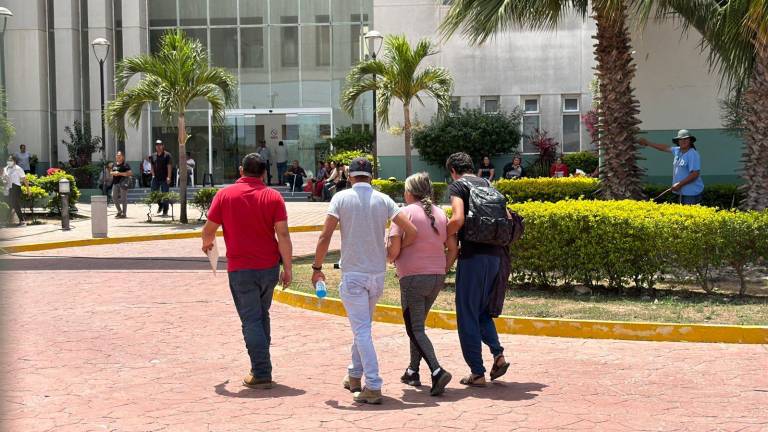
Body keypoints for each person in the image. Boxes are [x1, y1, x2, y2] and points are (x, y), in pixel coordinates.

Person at [312, 157, 418, 404]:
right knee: (362, 328)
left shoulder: (341, 198)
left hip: (354, 274)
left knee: (361, 330)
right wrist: (393, 254)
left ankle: (373, 384)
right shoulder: (384, 199)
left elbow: (325, 235)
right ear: (371, 176)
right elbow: (411, 230)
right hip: (376, 274)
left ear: (350, 176)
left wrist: (317, 267)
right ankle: (354, 375)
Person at [201, 153, 293, 390]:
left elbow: (208, 230)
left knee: (251, 319)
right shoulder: (273, 196)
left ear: (241, 170)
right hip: (269, 267)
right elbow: (283, 235)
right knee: (262, 315)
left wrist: (207, 245)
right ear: (264, 173)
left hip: (241, 269)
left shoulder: (225, 195)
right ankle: (262, 366)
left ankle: (261, 371)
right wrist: (289, 268)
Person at [387, 172, 458, 396]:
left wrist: (389, 256)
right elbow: (453, 248)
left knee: (415, 328)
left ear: (409, 192)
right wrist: (441, 269)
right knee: (417, 327)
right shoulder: (440, 213)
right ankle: (412, 370)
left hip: (412, 278)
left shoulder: (404, 213)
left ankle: (437, 371)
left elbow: (394, 251)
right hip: (436, 277)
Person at [446, 152, 510, 387]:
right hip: (495, 256)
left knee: (467, 314)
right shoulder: (488, 184)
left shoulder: (458, 187)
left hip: (472, 257)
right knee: (482, 311)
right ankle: (498, 355)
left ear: (453, 170)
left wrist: (440, 235)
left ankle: (477, 372)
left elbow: (458, 218)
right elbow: (507, 216)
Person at [639, 129, 705, 205]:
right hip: (681, 192)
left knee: (688, 216)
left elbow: (695, 174)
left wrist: (679, 184)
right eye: (681, 139)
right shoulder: (677, 151)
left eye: (686, 139)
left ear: (690, 141)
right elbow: (664, 148)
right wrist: (647, 143)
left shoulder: (693, 154)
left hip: (691, 194)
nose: (683, 141)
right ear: (678, 141)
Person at [3, 155, 29, 226]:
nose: (9, 161)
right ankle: (6, 221)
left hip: (16, 188)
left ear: (14, 161)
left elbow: (24, 179)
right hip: (9, 188)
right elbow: (4, 178)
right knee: (10, 205)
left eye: (11, 160)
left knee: (14, 204)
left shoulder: (18, 168)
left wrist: (28, 190)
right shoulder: (6, 168)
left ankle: (22, 221)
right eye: (8, 160)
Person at [151, 140, 173, 217]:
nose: (158, 146)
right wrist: (153, 175)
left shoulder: (167, 155)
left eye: (160, 145)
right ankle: (160, 205)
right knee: (154, 193)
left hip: (164, 178)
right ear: (155, 146)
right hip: (156, 178)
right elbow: (152, 166)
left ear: (163, 146)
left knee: (165, 194)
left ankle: (165, 210)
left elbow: (169, 166)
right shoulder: (153, 155)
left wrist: (169, 177)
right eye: (157, 145)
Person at [111, 151, 133, 219]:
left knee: (123, 199)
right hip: (115, 183)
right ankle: (119, 211)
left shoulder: (125, 164)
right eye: (117, 155)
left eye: (119, 155)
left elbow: (130, 173)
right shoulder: (114, 164)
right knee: (114, 197)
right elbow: (111, 172)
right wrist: (113, 173)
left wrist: (119, 173)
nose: (118, 156)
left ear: (122, 157)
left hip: (123, 183)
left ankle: (124, 213)